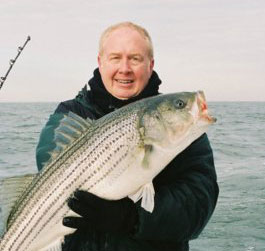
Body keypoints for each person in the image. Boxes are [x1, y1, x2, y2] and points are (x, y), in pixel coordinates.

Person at [36, 21, 219, 251]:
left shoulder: (186, 132)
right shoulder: (70, 113)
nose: (125, 68)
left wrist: (132, 218)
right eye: (115, 58)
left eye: (135, 58)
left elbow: (197, 205)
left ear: (150, 65)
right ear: (100, 63)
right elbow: (48, 159)